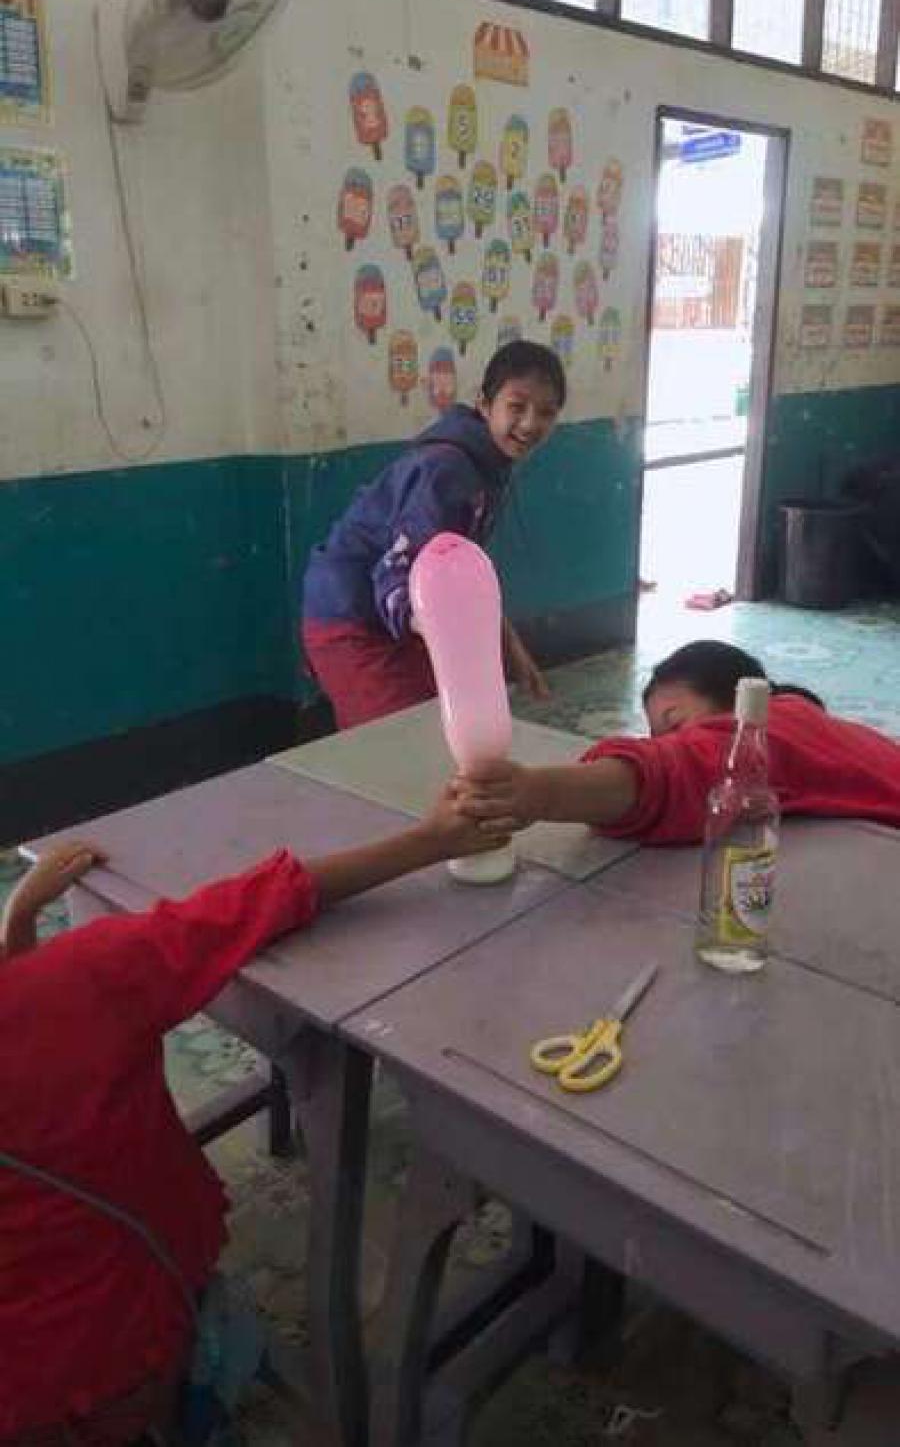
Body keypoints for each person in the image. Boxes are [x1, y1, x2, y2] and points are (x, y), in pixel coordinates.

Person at [0, 795, 507, 1446]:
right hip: (120, 1350)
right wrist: (431, 841)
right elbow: (256, 902)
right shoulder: (82, 979)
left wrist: (18, 929)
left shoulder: (55, 986)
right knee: (193, 1365)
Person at [301, 340, 565, 729]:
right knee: (402, 739)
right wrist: (450, 640)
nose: (529, 423)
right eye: (517, 406)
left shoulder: (487, 466)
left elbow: (461, 574)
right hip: (353, 619)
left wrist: (509, 647)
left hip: (397, 615)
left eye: (546, 412)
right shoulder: (447, 470)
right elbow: (396, 572)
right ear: (484, 403)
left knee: (439, 728)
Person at [453, 639, 900, 844]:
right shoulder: (805, 719)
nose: (668, 742)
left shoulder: (770, 732)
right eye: (656, 734)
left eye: (675, 723)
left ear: (737, 700)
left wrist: (538, 793)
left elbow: (672, 771)